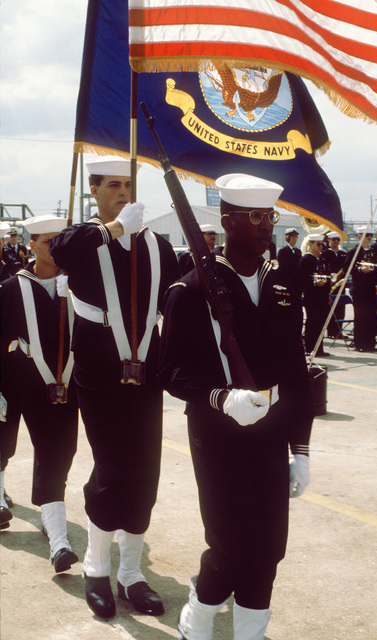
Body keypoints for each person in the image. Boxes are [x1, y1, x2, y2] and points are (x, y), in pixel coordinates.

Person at [159, 173, 313, 640]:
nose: (265, 225)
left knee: (269, 545)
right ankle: (198, 618)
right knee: (229, 543)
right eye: (254, 216)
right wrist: (220, 397)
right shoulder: (189, 291)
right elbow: (170, 372)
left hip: (271, 432)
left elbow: (296, 374)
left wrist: (301, 449)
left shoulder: (283, 288)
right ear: (227, 221)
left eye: (269, 216)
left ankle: (249, 631)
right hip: (217, 433)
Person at [50, 156, 180, 620]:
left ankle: (131, 572)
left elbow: (179, 291)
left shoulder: (157, 245)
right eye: (113, 186)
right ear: (96, 191)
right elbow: (60, 250)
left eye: (129, 185)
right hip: (99, 371)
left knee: (145, 470)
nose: (123, 194)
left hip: (146, 369)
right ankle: (97, 567)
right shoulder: (87, 238)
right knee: (111, 468)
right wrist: (116, 229)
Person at [0, 214, 79, 572]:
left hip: (62, 388)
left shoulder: (78, 284)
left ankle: (59, 540)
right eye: (49, 241)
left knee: (58, 454)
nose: (57, 248)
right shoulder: (10, 289)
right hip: (17, 382)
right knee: (3, 442)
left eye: (62, 240)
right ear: (32, 246)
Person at [344, 226, 377, 353]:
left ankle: (370, 344)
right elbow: (347, 268)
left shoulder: (372, 251)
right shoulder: (354, 251)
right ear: (359, 236)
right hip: (360, 288)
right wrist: (360, 269)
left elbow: (376, 269)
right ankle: (359, 344)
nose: (369, 237)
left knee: (371, 316)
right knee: (360, 316)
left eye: (370, 235)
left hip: (370, 288)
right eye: (366, 235)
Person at [298, 234, 331, 357]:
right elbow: (301, 278)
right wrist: (314, 282)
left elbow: (327, 277)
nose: (320, 247)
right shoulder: (306, 259)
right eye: (318, 244)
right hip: (312, 296)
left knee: (321, 322)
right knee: (313, 322)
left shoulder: (321, 260)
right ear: (310, 244)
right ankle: (310, 347)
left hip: (322, 296)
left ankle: (319, 348)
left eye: (322, 244)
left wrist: (328, 293)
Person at [322, 231, 347, 339]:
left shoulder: (342, 253)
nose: (336, 241)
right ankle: (331, 331)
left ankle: (338, 331)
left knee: (340, 308)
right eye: (333, 240)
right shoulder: (325, 254)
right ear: (328, 241)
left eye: (338, 239)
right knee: (330, 308)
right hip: (330, 284)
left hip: (340, 283)